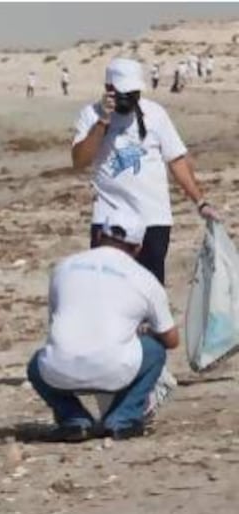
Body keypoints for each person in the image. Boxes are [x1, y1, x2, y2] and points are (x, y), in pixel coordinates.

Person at [27, 209, 178, 442]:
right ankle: (123, 419)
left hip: (60, 369)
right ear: (138, 247)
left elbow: (55, 320)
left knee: (37, 363)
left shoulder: (63, 267)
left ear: (99, 236)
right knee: (155, 351)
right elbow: (171, 340)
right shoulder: (145, 279)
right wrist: (142, 329)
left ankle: (74, 420)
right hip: (114, 369)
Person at [71, 58, 218, 285]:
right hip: (109, 219)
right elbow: (80, 161)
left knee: (149, 289)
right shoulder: (90, 115)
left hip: (153, 219)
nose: (131, 98)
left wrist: (200, 202)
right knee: (109, 289)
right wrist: (103, 122)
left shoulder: (155, 114)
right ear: (109, 89)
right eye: (125, 92)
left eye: (135, 93)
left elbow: (176, 160)